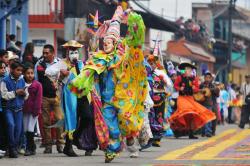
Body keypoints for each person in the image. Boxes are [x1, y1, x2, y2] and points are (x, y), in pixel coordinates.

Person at [69, 6, 147, 163]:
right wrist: (79, 82)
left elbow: (134, 41)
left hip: (124, 97)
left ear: (116, 42)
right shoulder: (99, 58)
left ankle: (132, 137)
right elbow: (88, 71)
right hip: (107, 99)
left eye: (109, 41)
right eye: (104, 41)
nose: (105, 43)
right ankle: (112, 149)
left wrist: (132, 21)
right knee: (110, 126)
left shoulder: (122, 56)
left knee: (126, 120)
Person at [55, 40, 97, 157]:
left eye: (76, 51)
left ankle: (77, 136)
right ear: (67, 52)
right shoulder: (62, 63)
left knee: (87, 117)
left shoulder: (81, 64)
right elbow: (50, 72)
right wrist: (61, 74)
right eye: (72, 51)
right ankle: (68, 148)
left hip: (82, 94)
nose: (74, 53)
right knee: (71, 120)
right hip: (70, 95)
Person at [169, 62, 216, 139]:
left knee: (191, 115)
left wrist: (194, 89)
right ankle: (178, 131)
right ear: (185, 70)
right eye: (187, 69)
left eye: (190, 69)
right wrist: (179, 88)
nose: (188, 71)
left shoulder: (194, 79)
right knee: (182, 112)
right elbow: (175, 85)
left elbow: (197, 89)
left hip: (190, 98)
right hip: (182, 98)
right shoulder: (180, 77)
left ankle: (191, 133)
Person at [34, 44, 64, 154]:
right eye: (44, 52)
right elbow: (36, 81)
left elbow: (65, 78)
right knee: (46, 122)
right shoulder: (39, 64)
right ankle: (48, 145)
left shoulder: (60, 63)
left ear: (53, 53)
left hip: (56, 96)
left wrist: (59, 84)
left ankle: (60, 144)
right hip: (44, 97)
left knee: (59, 119)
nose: (45, 55)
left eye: (47, 53)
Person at [0, 61, 28, 158]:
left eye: (21, 70)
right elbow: (4, 95)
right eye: (18, 70)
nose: (20, 72)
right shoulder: (5, 80)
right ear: (11, 70)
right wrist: (16, 93)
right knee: (11, 126)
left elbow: (26, 95)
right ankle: (11, 148)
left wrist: (24, 94)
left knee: (18, 129)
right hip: (8, 109)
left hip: (19, 109)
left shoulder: (22, 80)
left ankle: (14, 148)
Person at [22, 64, 42, 156]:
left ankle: (29, 149)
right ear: (24, 74)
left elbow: (38, 99)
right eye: (27, 73)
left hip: (34, 111)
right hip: (23, 110)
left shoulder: (37, 85)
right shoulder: (21, 83)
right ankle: (32, 147)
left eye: (31, 73)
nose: (30, 75)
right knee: (26, 129)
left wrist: (36, 111)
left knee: (30, 129)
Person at [199, 71, 220, 137]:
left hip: (212, 104)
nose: (207, 79)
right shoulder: (201, 85)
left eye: (209, 77)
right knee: (203, 118)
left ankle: (211, 132)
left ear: (211, 78)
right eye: (206, 77)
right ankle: (203, 132)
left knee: (212, 118)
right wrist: (202, 90)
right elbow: (197, 92)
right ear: (204, 78)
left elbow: (217, 94)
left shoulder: (213, 85)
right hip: (202, 104)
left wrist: (212, 90)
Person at [0, 61, 7, 157]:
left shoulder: (4, 79)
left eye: (4, 68)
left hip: (2, 108)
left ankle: (2, 147)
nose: (4, 70)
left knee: (2, 129)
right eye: (1, 68)